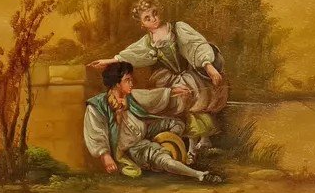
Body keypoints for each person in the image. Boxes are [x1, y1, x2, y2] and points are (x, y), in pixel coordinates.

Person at [88, 0, 228, 161]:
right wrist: (108, 61)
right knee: (173, 102)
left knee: (191, 101)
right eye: (147, 18)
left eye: (154, 14)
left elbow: (195, 46)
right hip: (170, 79)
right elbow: (132, 55)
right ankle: (188, 146)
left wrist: (208, 66)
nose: (153, 19)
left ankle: (201, 141)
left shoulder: (177, 29)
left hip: (191, 75)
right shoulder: (148, 42)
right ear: (142, 24)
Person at [84, 62, 224, 184]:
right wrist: (106, 157)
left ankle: (166, 146)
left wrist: (173, 92)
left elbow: (152, 96)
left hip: (145, 130)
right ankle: (199, 175)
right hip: (132, 146)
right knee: (163, 159)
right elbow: (96, 132)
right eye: (127, 80)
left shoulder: (130, 96)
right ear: (116, 84)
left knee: (177, 124)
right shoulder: (97, 105)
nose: (131, 83)